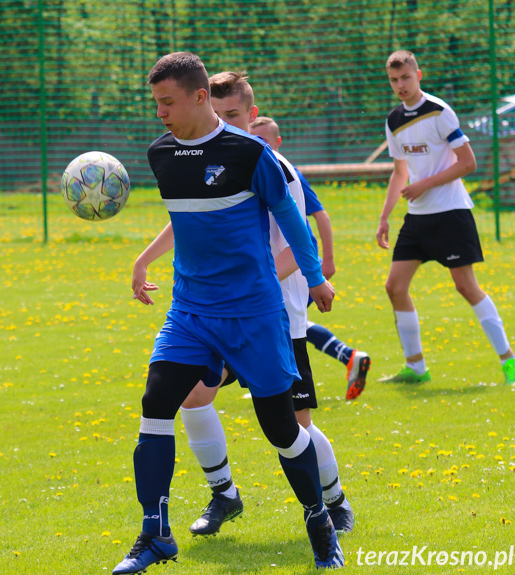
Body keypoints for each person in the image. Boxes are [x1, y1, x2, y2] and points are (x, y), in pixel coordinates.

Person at [112, 53, 343, 575]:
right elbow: (187, 223)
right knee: (155, 403)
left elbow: (294, 220)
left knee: (281, 429)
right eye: (156, 103)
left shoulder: (250, 155)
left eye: (168, 102)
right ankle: (154, 534)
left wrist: (315, 278)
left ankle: (319, 521)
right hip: (191, 312)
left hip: (253, 314)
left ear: (199, 97)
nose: (161, 113)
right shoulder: (161, 154)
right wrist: (144, 259)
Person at [167, 73, 353, 542]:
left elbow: (301, 239)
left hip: (276, 320)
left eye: (232, 116)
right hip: (220, 316)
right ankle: (223, 493)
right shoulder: (211, 159)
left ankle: (334, 502)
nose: (223, 123)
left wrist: (256, 279)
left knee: (295, 425)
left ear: (252, 116)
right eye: (219, 114)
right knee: (191, 393)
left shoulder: (273, 166)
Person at [376, 50, 515, 386]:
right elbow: (400, 172)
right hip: (417, 218)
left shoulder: (440, 112)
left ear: (419, 75)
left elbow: (468, 163)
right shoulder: (394, 119)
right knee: (394, 287)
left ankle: (510, 363)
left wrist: (424, 183)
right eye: (394, 80)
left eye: (406, 78)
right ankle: (416, 367)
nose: (400, 85)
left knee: (466, 286)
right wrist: (385, 217)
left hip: (451, 214)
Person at [251, 116, 371, 400]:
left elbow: (322, 216)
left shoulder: (284, 171)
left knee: (287, 322)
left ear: (278, 142)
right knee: (290, 322)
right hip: (283, 260)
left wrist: (325, 261)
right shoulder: (254, 166)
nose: (259, 144)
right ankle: (349, 357)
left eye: (265, 140)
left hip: (296, 262)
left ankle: (285, 382)